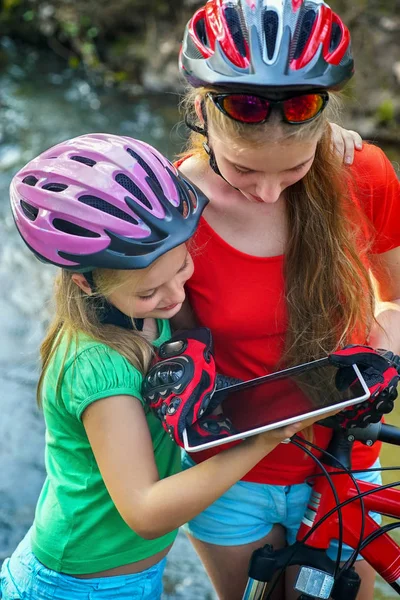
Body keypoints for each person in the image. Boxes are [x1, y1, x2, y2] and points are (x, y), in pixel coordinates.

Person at [0, 133, 322, 600]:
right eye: (150, 292)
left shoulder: (146, 314)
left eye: (183, 270)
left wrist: (330, 138)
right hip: (76, 587)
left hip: (127, 577)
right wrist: (267, 436)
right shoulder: (98, 367)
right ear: (85, 283)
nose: (175, 299)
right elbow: (146, 512)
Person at [172, 1, 400, 599]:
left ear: (324, 127)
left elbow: (393, 296)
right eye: (243, 171)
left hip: (350, 451)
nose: (269, 191)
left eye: (295, 167)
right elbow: (167, 344)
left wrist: (389, 329)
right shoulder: (170, 210)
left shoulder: (365, 174)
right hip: (233, 476)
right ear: (202, 112)